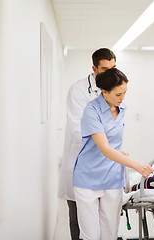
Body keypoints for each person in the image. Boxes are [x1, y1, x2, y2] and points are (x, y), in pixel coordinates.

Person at [73, 68, 154, 240]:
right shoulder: (91, 111)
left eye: (124, 93)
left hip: (112, 177)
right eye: (118, 94)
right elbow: (105, 149)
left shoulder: (121, 107)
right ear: (104, 91)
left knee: (110, 233)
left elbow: (111, 141)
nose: (122, 98)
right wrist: (137, 166)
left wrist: (119, 152)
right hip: (88, 178)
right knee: (91, 236)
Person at [58, 48, 117, 240]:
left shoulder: (114, 89)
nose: (111, 73)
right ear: (94, 68)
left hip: (105, 167)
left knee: (104, 222)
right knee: (78, 221)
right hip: (81, 164)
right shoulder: (78, 90)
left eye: (114, 67)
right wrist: (105, 146)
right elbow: (78, 130)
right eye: (105, 68)